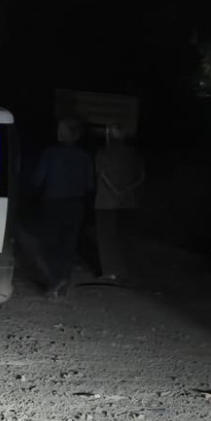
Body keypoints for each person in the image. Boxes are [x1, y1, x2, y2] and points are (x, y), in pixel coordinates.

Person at [25, 119, 92, 295]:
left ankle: (55, 281)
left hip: (54, 203)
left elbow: (38, 179)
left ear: (64, 133)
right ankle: (65, 280)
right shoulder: (84, 156)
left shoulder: (51, 153)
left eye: (60, 130)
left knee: (51, 244)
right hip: (76, 204)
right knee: (68, 245)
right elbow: (89, 185)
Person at [93, 124, 145, 282]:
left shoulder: (103, 153)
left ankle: (110, 270)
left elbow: (100, 174)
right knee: (121, 236)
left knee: (105, 236)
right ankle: (124, 268)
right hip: (127, 202)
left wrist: (115, 190)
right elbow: (141, 176)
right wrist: (126, 190)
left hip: (105, 201)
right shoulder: (133, 154)